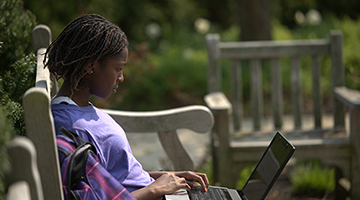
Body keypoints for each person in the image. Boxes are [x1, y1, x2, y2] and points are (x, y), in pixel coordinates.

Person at [44, 14, 209, 200]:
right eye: (118, 69)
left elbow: (117, 176)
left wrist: (163, 177)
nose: (121, 78)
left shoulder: (79, 111)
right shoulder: (72, 128)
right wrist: (155, 189)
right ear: (91, 66)